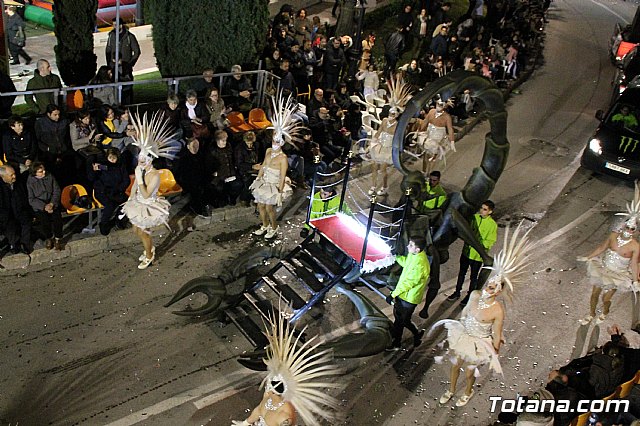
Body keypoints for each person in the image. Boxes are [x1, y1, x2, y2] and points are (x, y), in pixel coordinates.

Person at [433, 223, 534, 407]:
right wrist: (459, 328)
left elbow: (496, 333)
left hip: (479, 343)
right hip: (464, 335)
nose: (490, 287)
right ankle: (451, 389)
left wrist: (494, 352)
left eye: (494, 286)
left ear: (499, 291)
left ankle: (468, 391)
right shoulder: (474, 295)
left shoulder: (497, 310)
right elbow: (464, 314)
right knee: (455, 366)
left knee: (469, 372)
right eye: (489, 284)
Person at [231, 308, 341, 426]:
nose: (270, 389)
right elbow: (259, 410)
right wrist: (246, 423)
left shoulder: (285, 416)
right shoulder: (269, 395)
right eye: (271, 383)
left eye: (274, 386)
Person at [120, 111, 180, 269]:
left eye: (142, 160)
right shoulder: (143, 170)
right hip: (138, 203)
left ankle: (149, 254)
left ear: (149, 160)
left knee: (144, 233)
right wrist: (130, 199)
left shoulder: (154, 176)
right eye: (139, 160)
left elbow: (146, 194)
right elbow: (135, 187)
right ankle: (149, 249)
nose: (140, 162)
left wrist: (139, 178)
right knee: (136, 230)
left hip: (148, 206)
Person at [577, 186, 640, 325]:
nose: (629, 230)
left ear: (635, 231)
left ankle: (605, 311)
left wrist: (635, 281)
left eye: (632, 229)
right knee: (594, 295)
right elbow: (601, 248)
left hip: (617, 275)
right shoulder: (613, 235)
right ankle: (591, 313)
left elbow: (634, 264)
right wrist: (588, 257)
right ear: (623, 226)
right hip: (602, 269)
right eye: (627, 227)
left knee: (605, 299)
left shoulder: (635, 246)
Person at [250, 94, 299, 240]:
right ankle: (264, 225)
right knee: (260, 206)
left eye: (277, 141)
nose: (274, 143)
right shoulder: (268, 151)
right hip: (264, 181)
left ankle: (273, 227)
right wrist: (258, 179)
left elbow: (283, 175)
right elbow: (264, 165)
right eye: (273, 140)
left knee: (269, 208)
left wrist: (279, 191)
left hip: (274, 184)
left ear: (282, 143)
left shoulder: (283, 158)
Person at [367, 76, 413, 196]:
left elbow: (399, 139)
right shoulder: (384, 120)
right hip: (380, 146)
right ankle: (373, 185)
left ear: (397, 114)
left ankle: (385, 186)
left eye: (394, 113)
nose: (391, 115)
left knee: (383, 170)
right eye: (390, 113)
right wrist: (373, 141)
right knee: (373, 166)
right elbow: (379, 132)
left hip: (388, 149)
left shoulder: (398, 126)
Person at [448, 200, 498, 305]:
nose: (481, 211)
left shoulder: (492, 225)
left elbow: (490, 241)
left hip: (477, 256)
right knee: (461, 273)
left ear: (490, 212)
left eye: (485, 209)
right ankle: (457, 292)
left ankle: (469, 296)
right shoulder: (474, 218)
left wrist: (475, 242)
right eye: (481, 208)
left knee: (473, 277)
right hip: (466, 252)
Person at [385, 235, 430, 350]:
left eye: (410, 245)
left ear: (417, 249)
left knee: (403, 321)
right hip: (403, 294)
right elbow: (407, 264)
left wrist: (393, 294)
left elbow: (409, 283)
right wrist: (397, 257)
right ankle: (397, 338)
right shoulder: (414, 255)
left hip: (409, 299)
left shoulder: (420, 264)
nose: (407, 246)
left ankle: (404, 340)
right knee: (399, 318)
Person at [88, 148, 129, 236]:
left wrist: (119, 189)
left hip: (117, 190)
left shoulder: (120, 165)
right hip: (103, 192)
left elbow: (126, 180)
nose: (112, 160)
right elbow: (92, 179)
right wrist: (94, 171)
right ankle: (104, 224)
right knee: (110, 205)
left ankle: (119, 220)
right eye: (110, 157)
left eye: (114, 158)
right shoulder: (102, 165)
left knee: (126, 202)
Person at [26, 161, 63, 251]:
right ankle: (49, 238)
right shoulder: (30, 182)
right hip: (40, 205)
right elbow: (31, 199)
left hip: (51, 202)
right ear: (35, 173)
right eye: (40, 172)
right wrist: (44, 206)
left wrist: (52, 203)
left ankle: (58, 239)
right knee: (44, 221)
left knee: (57, 219)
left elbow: (56, 190)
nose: (44, 172)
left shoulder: (50, 176)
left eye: (44, 170)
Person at [414, 98, 456, 173]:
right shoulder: (431, 111)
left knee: (432, 158)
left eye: (440, 105)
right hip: (428, 137)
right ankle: (423, 172)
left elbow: (450, 129)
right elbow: (424, 123)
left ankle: (429, 174)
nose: (438, 106)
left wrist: (452, 141)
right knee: (425, 156)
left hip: (438, 139)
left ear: (444, 106)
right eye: (437, 104)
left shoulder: (447, 117)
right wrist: (418, 132)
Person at [105, 19, 140, 104]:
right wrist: (110, 64)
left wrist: (129, 64)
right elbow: (107, 51)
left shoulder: (129, 36)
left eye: (116, 24)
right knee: (115, 91)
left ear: (121, 25)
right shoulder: (111, 36)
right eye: (113, 25)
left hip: (125, 69)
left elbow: (137, 52)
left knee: (127, 90)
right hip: (114, 68)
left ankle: (128, 108)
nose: (114, 26)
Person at [0, 165, 32, 255]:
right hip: (6, 214)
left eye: (14, 174)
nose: (14, 176)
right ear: (3, 176)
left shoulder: (18, 183)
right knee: (10, 226)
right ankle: (13, 244)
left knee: (26, 221)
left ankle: (24, 244)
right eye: (11, 175)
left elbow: (24, 198)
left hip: (20, 210)